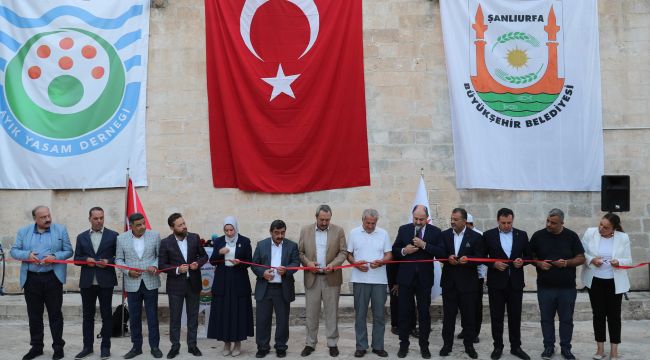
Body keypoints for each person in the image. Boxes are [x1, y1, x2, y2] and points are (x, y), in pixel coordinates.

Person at [10, 205, 73, 360]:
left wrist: (55, 256)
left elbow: (69, 251)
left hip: (53, 278)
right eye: (43, 217)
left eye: (48, 215)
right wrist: (27, 254)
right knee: (34, 315)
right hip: (31, 279)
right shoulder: (23, 232)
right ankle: (36, 347)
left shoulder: (60, 230)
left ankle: (58, 347)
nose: (48, 219)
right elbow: (14, 251)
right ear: (35, 219)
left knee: (55, 314)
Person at [530, 208, 585, 360]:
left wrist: (567, 263)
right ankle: (548, 347)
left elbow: (581, 258)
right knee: (546, 319)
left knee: (566, 320)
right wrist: (539, 264)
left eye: (553, 223)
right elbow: (530, 256)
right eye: (547, 221)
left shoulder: (571, 236)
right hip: (545, 287)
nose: (549, 225)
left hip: (567, 288)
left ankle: (566, 348)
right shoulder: (538, 236)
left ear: (562, 223)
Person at [392, 205, 445, 359]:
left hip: (424, 280)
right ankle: (403, 344)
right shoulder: (404, 229)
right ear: (412, 216)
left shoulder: (435, 232)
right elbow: (394, 250)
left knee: (424, 314)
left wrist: (424, 245)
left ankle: (424, 346)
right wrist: (404, 251)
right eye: (416, 218)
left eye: (421, 219)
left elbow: (441, 253)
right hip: (406, 279)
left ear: (427, 219)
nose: (418, 221)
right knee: (404, 313)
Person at [298, 205, 348, 357]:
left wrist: (334, 265)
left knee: (332, 313)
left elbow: (343, 252)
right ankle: (310, 343)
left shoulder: (338, 231)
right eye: (322, 219)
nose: (325, 222)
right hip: (312, 278)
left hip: (331, 278)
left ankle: (332, 343)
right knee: (311, 313)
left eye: (327, 220)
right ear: (316, 217)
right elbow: (300, 252)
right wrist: (308, 264)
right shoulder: (305, 230)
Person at [581, 213, 632, 360]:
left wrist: (618, 262)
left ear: (613, 229)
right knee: (598, 315)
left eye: (606, 227)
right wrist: (592, 259)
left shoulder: (623, 237)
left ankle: (614, 352)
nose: (601, 228)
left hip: (614, 282)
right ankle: (600, 350)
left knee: (614, 316)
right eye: (600, 224)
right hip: (595, 281)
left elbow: (628, 260)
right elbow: (581, 253)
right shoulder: (591, 233)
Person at [483, 208, 532, 360]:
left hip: (515, 283)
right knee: (496, 316)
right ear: (498, 220)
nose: (506, 226)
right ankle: (498, 346)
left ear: (513, 220)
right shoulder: (488, 235)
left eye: (509, 223)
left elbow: (529, 256)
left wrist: (522, 262)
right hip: (496, 284)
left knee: (515, 316)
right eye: (503, 223)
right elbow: (481, 256)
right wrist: (493, 264)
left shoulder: (522, 235)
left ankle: (516, 347)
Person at [158, 213, 208, 358]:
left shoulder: (194, 237)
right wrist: (178, 269)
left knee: (193, 316)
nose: (184, 226)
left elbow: (204, 256)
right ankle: (175, 346)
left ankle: (192, 345)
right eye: (180, 225)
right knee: (175, 317)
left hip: (193, 283)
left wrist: (196, 264)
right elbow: (162, 265)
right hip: (175, 285)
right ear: (172, 227)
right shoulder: (165, 243)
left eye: (184, 223)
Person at [438, 207, 485, 359]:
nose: (452, 221)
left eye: (455, 219)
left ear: (464, 221)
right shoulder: (444, 235)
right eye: (451, 219)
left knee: (469, 317)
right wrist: (447, 257)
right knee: (449, 317)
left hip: (468, 284)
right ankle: (447, 345)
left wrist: (468, 260)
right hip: (449, 284)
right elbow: (440, 253)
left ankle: (469, 346)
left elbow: (480, 257)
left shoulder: (475, 236)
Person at [73, 207, 119, 360]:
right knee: (88, 316)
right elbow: (76, 259)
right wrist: (86, 260)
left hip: (106, 281)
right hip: (87, 282)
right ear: (90, 219)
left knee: (107, 315)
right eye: (96, 218)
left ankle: (105, 347)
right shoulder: (81, 237)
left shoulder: (113, 236)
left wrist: (108, 261)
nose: (99, 221)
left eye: (101, 218)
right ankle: (87, 347)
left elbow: (119, 258)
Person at [115, 213, 163, 359]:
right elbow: (118, 259)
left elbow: (159, 256)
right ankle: (136, 347)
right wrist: (128, 271)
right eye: (138, 225)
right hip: (132, 284)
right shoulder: (121, 238)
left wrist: (154, 266)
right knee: (134, 317)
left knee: (152, 316)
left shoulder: (154, 236)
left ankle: (155, 347)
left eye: (143, 223)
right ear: (131, 226)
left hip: (150, 281)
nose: (142, 227)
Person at [347, 209, 392, 358]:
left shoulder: (383, 233)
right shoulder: (354, 233)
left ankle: (378, 346)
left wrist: (382, 262)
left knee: (379, 315)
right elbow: (349, 254)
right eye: (368, 223)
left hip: (379, 281)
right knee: (360, 315)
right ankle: (361, 346)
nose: (371, 226)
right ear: (362, 220)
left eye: (373, 223)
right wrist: (355, 263)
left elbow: (389, 255)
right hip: (360, 280)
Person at [252, 220, 300, 358]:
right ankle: (262, 346)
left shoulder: (292, 246)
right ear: (271, 232)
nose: (280, 236)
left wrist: (286, 270)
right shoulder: (262, 245)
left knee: (283, 320)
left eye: (282, 232)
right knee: (262, 320)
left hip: (282, 288)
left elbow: (296, 263)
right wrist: (263, 273)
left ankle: (280, 346)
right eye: (277, 233)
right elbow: (254, 264)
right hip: (265, 288)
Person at [207, 216, 254, 357]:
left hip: (239, 280)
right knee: (224, 311)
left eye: (231, 229)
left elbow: (250, 262)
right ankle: (226, 343)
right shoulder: (219, 241)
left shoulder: (245, 241)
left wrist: (240, 262)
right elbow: (213, 261)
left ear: (236, 228)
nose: (229, 233)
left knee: (238, 312)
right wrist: (219, 253)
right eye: (226, 230)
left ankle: (238, 343)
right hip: (223, 281)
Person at [457, 213, 486, 344]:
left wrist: (482, 276)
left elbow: (482, 257)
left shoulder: (478, 235)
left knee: (475, 306)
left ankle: (475, 332)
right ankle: (465, 329)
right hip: (463, 276)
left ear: (467, 223)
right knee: (464, 306)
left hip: (477, 276)